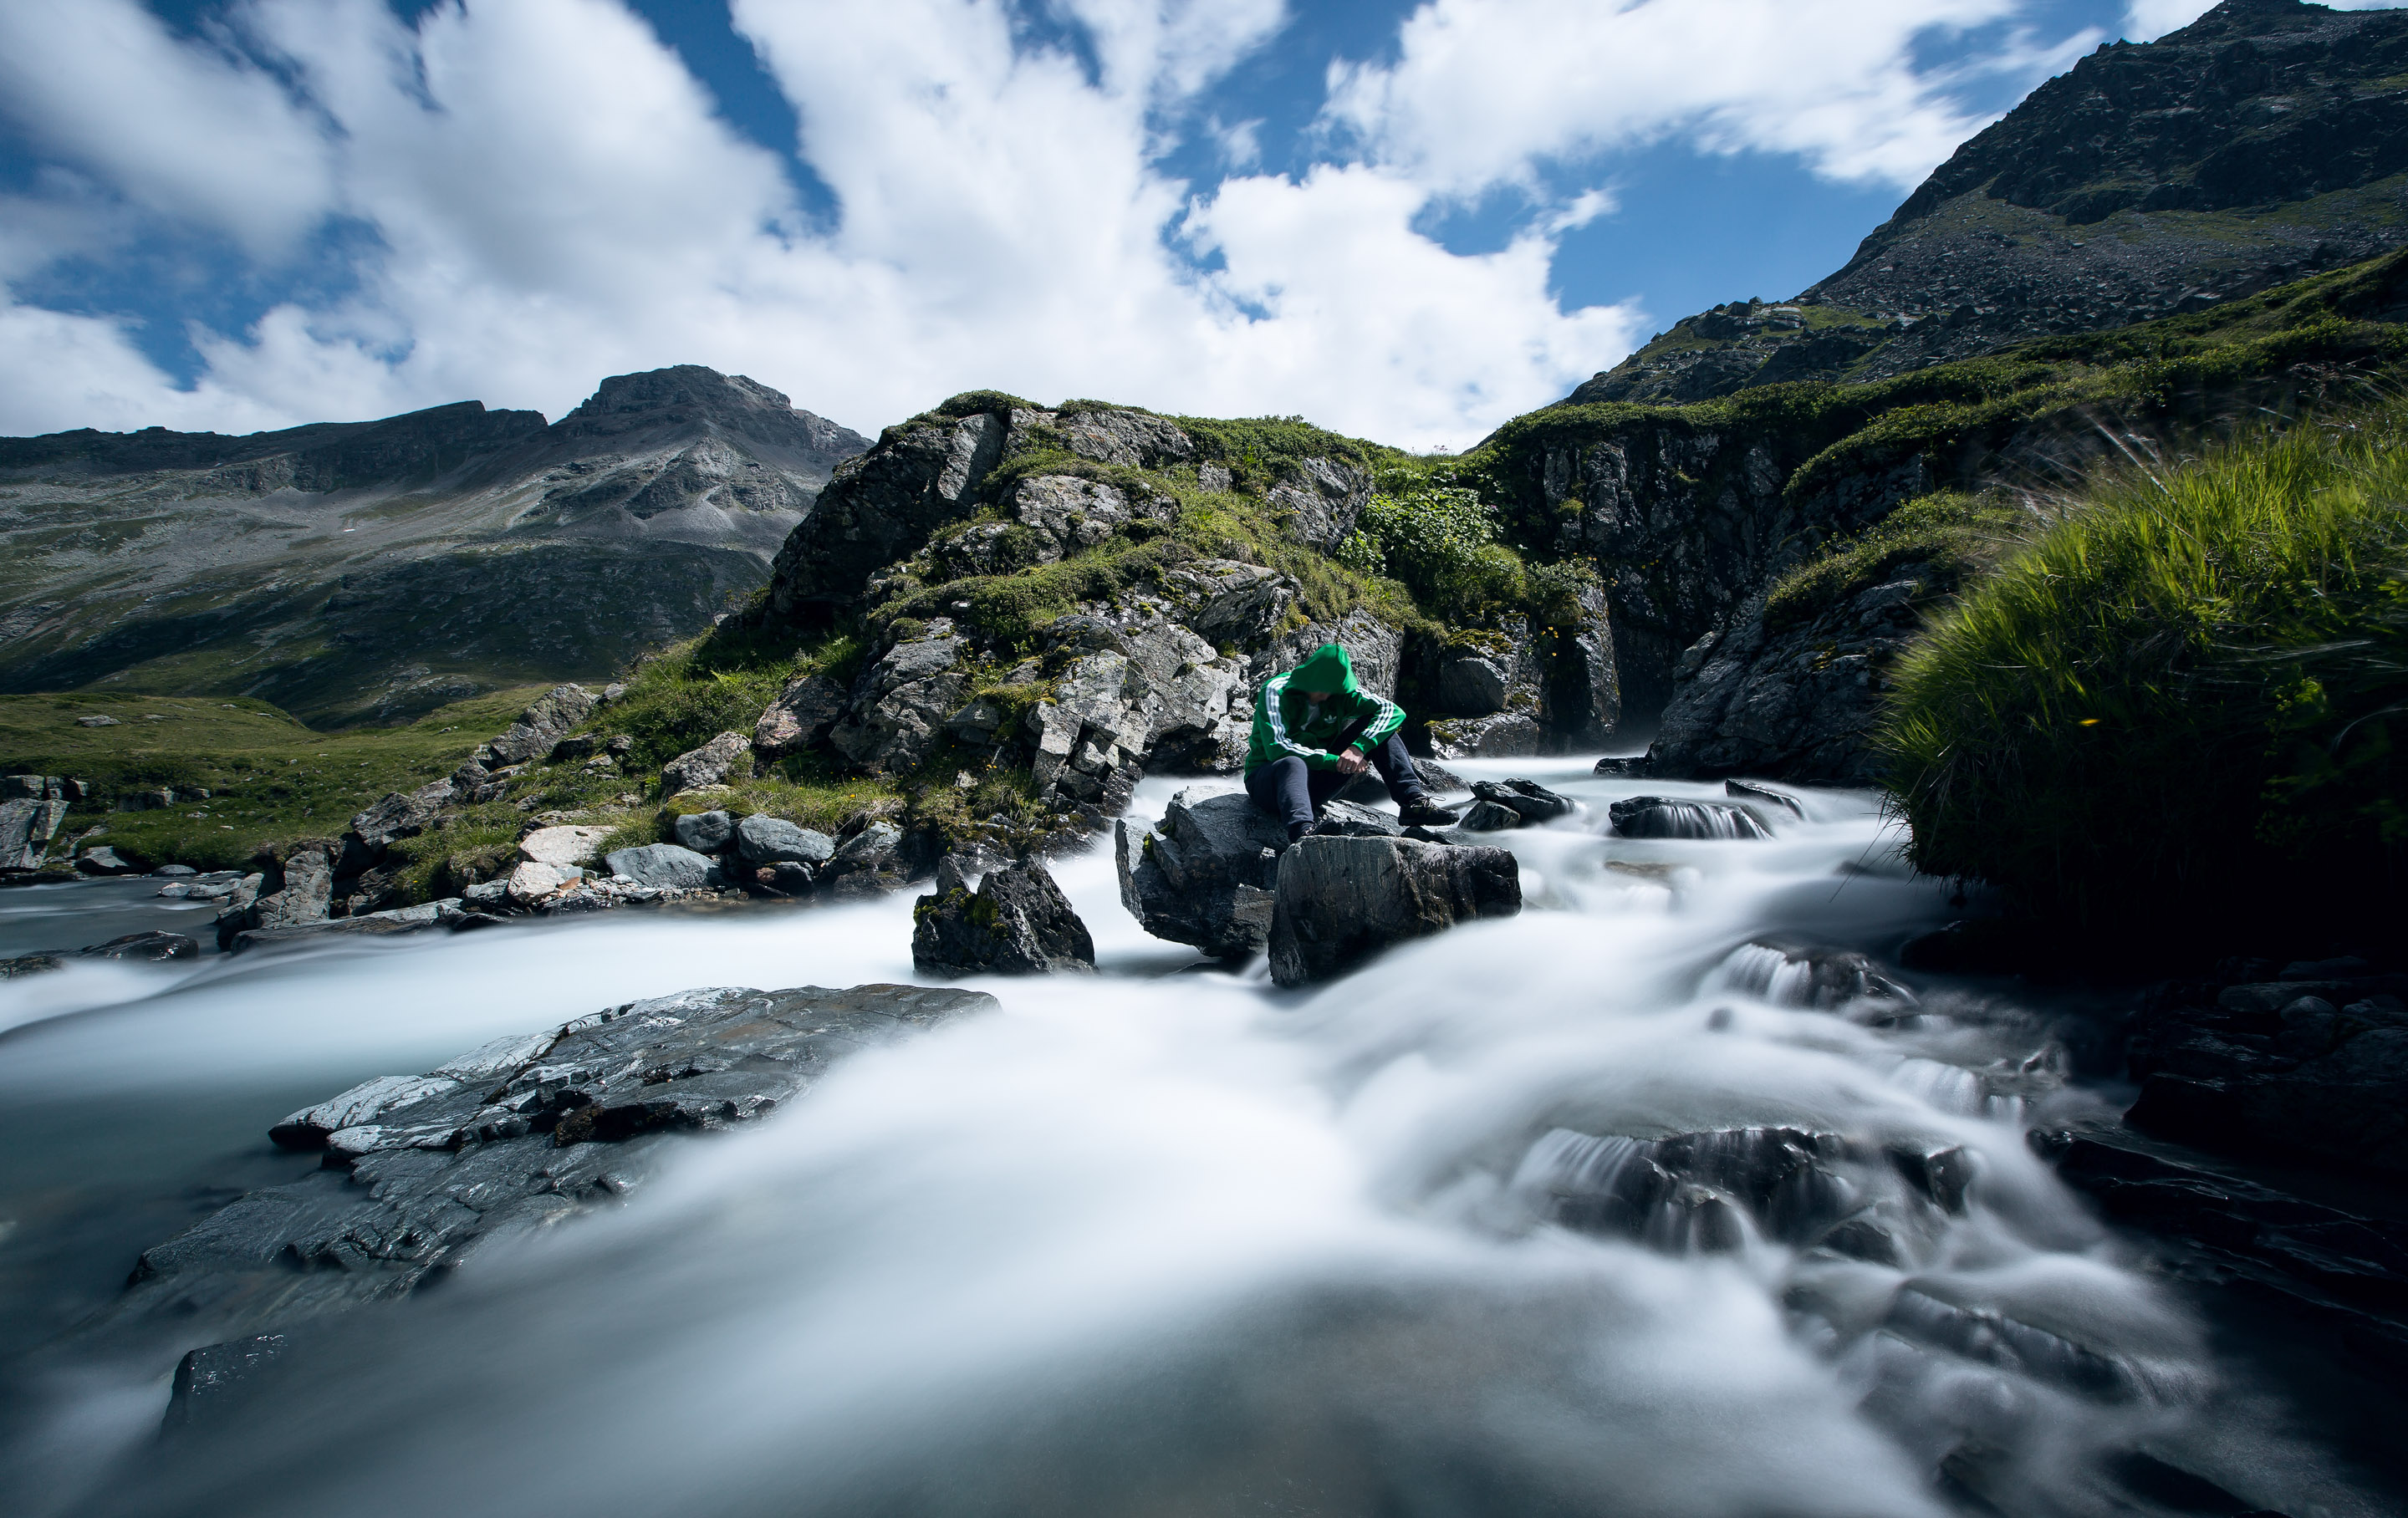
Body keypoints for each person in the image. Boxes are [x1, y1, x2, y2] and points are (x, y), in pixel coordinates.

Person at [1243, 642, 1458, 843]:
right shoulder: (1276, 690)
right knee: (1291, 763)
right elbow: (1277, 749)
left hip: (1314, 785)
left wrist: (1358, 747)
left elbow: (1392, 711)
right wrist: (1334, 760)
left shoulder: (1342, 694)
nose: (1326, 696)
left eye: (1332, 691)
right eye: (1321, 689)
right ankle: (1303, 832)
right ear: (1308, 678)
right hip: (1268, 782)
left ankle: (1412, 802)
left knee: (1381, 729)